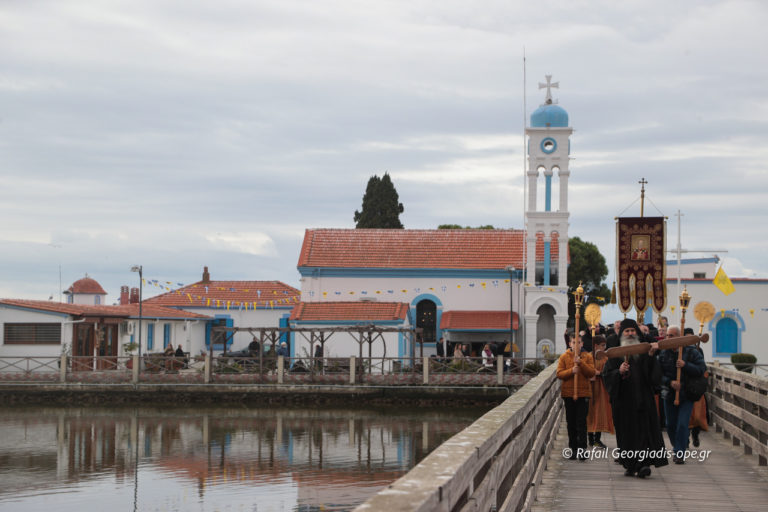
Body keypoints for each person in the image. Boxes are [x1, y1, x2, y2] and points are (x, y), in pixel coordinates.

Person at [603, 318, 668, 477]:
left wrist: (651, 357)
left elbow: (654, 377)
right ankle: (630, 464)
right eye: (627, 331)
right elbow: (607, 376)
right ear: (622, 334)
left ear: (637, 333)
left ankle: (643, 464)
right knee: (627, 433)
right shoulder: (615, 353)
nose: (630, 333)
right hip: (624, 402)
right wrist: (619, 371)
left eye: (633, 331)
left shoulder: (645, 352)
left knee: (644, 431)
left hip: (643, 400)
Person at [659, 325, 706, 464]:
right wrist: (670, 382)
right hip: (669, 394)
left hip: (686, 394)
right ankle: (679, 443)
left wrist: (686, 365)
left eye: (671, 336)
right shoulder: (663, 353)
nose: (668, 338)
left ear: (679, 337)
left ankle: (679, 452)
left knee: (682, 424)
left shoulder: (691, 352)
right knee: (670, 424)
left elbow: (701, 369)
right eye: (667, 335)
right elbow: (658, 374)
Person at [557, 334, 596, 460]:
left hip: (583, 393)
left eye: (578, 342)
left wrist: (581, 363)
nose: (576, 344)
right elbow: (559, 373)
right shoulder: (564, 357)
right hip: (569, 393)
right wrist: (571, 371)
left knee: (581, 422)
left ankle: (582, 449)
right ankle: (573, 448)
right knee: (571, 422)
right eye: (574, 342)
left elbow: (591, 373)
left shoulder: (587, 357)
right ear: (570, 344)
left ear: (582, 344)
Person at [587, 335, 613, 448]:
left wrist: (600, 373)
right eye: (602, 345)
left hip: (602, 389)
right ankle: (590, 439)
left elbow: (608, 371)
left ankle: (597, 438)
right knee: (590, 414)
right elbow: (584, 370)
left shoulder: (605, 358)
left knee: (600, 413)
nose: (604, 347)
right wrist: (591, 372)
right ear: (596, 345)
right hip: (590, 388)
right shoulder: (588, 357)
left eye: (605, 345)